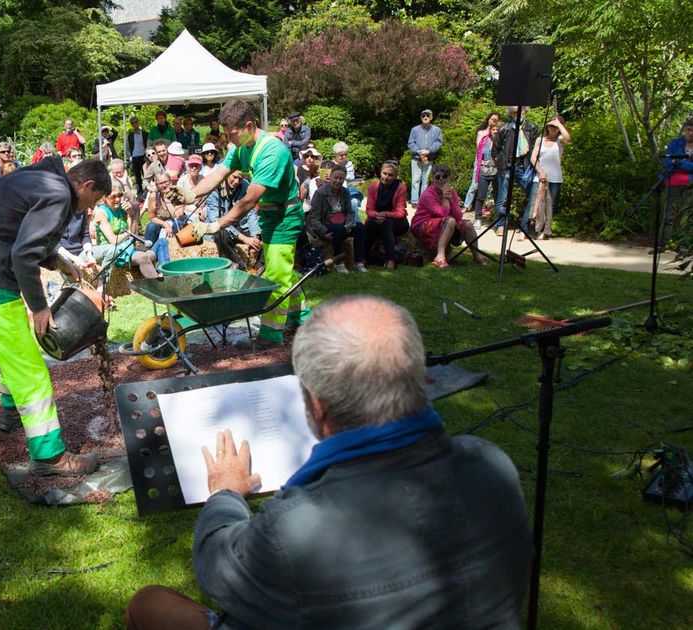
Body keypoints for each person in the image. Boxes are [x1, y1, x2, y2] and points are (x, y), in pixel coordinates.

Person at [124, 295, 531, 630]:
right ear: (420, 379)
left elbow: (216, 568)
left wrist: (226, 492)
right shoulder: (492, 464)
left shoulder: (295, 529)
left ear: (317, 407)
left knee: (148, 605)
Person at [0, 157, 108, 477]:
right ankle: (49, 456)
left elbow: (20, 229)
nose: (88, 208)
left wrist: (56, 260)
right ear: (86, 186)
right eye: (93, 200)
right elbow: (23, 253)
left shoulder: (44, 177)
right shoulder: (58, 194)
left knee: (14, 350)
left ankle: (10, 414)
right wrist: (39, 305)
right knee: (31, 370)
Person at [173, 99, 309, 348]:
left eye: (232, 134)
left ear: (248, 125)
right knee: (281, 267)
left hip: (284, 217)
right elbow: (218, 174)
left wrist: (216, 226)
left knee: (276, 276)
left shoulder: (272, 151)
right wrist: (191, 193)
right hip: (269, 215)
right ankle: (303, 317)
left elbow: (249, 199)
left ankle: (270, 336)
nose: (229, 140)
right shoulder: (241, 145)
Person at [411, 166, 489, 268]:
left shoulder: (452, 193)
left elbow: (458, 215)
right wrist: (444, 198)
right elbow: (444, 214)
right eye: (437, 177)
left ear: (449, 179)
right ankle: (440, 257)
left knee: (468, 224)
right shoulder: (427, 194)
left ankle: (476, 256)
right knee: (450, 221)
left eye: (445, 176)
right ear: (432, 179)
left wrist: (449, 198)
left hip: (442, 223)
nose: (441, 179)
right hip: (422, 225)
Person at [90, 182, 159, 281]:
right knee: (143, 257)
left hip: (128, 247)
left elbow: (134, 233)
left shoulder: (122, 209)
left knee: (151, 255)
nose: (117, 199)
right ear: (104, 198)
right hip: (113, 251)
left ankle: (147, 280)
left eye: (120, 195)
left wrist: (130, 214)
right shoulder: (102, 212)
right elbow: (114, 241)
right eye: (113, 196)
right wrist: (128, 233)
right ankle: (157, 286)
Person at [307, 164, 366, 273]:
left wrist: (349, 225)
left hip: (342, 223)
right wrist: (323, 232)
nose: (338, 181)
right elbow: (314, 218)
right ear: (331, 177)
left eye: (341, 179)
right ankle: (338, 262)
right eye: (336, 178)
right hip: (326, 224)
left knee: (360, 227)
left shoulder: (345, 192)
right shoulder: (320, 193)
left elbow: (349, 212)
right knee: (339, 229)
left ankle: (359, 261)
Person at [491, 106, 539, 236]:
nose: (517, 114)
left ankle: (523, 225)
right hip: (507, 166)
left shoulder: (532, 128)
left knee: (532, 194)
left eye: (520, 111)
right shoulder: (504, 129)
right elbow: (495, 150)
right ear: (510, 114)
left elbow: (535, 148)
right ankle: (500, 224)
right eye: (514, 112)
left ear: (525, 112)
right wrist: (501, 165)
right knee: (503, 197)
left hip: (524, 166)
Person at [522, 116, 571, 240]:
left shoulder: (560, 141)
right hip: (539, 176)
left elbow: (568, 138)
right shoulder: (540, 140)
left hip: (555, 178)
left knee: (549, 205)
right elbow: (533, 158)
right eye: (550, 125)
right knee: (533, 203)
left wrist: (559, 124)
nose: (552, 128)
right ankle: (525, 230)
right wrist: (541, 171)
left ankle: (544, 231)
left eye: (555, 127)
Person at [206, 171, 261, 271]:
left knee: (263, 230)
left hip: (240, 226)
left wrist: (254, 238)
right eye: (234, 177)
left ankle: (259, 267)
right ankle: (239, 264)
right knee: (221, 234)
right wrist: (245, 239)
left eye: (240, 179)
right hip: (222, 228)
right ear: (227, 174)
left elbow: (251, 212)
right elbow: (217, 221)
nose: (236, 181)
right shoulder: (214, 190)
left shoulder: (244, 186)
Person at [364, 161, 411, 269]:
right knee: (369, 224)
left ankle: (391, 259)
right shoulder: (372, 187)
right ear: (380, 173)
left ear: (396, 176)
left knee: (386, 223)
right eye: (385, 173)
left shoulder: (401, 187)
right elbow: (369, 210)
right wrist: (377, 215)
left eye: (390, 175)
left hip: (398, 222)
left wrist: (385, 214)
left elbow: (400, 212)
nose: (387, 177)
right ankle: (364, 257)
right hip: (377, 219)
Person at [462, 111, 502, 220]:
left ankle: (490, 212)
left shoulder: (500, 136)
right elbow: (479, 145)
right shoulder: (482, 133)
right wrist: (490, 129)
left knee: (494, 192)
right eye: (492, 119)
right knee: (475, 185)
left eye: (496, 119)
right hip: (481, 163)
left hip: (495, 168)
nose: (494, 121)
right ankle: (467, 206)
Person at [662, 117, 693, 247]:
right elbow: (667, 162)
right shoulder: (675, 143)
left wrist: (678, 163)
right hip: (672, 182)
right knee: (669, 214)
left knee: (687, 216)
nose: (691, 133)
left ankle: (684, 245)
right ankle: (664, 243)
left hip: (690, 184)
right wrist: (685, 164)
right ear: (685, 130)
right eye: (688, 130)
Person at [142, 172, 183, 265]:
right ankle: (150, 253)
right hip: (160, 224)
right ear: (156, 185)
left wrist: (167, 200)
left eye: (166, 182)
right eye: (160, 183)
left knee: (178, 223)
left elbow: (178, 215)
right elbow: (152, 217)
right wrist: (165, 224)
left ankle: (176, 253)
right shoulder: (154, 196)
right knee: (151, 226)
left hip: (175, 222)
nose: (164, 185)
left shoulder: (178, 194)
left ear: (171, 181)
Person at [407, 108, 444, 207]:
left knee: (425, 180)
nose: (425, 117)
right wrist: (419, 152)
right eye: (423, 116)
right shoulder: (414, 130)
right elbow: (410, 143)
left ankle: (423, 200)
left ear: (431, 117)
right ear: (421, 117)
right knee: (415, 180)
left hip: (429, 159)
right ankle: (415, 201)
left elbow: (439, 142)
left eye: (427, 115)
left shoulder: (437, 130)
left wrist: (429, 151)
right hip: (416, 159)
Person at [127, 116, 150, 193]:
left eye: (136, 121)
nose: (134, 124)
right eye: (132, 123)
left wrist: (147, 156)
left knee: (146, 175)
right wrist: (129, 156)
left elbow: (148, 145)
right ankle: (140, 192)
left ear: (138, 122)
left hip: (143, 157)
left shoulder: (145, 134)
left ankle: (148, 190)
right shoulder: (130, 135)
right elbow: (127, 147)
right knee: (137, 177)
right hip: (134, 157)